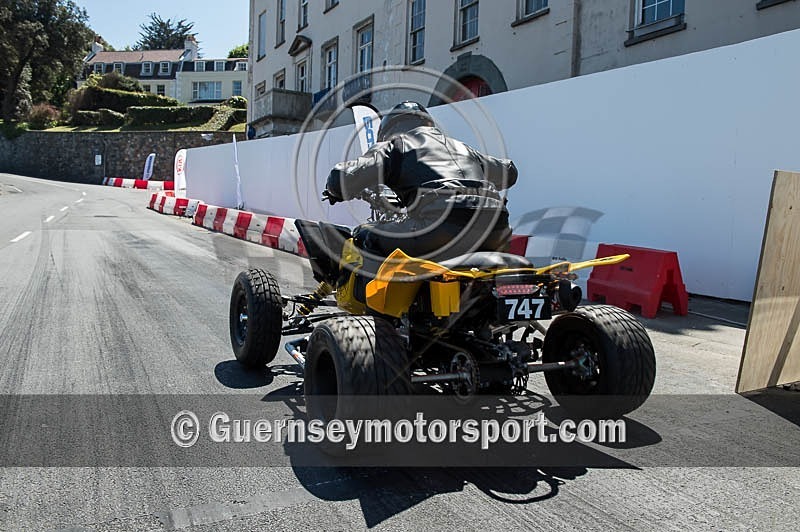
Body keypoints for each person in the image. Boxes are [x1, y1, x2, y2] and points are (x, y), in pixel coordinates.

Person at [324, 101, 518, 262]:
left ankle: (377, 305)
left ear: (389, 130)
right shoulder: (462, 148)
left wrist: (334, 191)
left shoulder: (396, 144)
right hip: (495, 228)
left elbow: (342, 177)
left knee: (366, 235)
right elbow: (509, 171)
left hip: (439, 227)